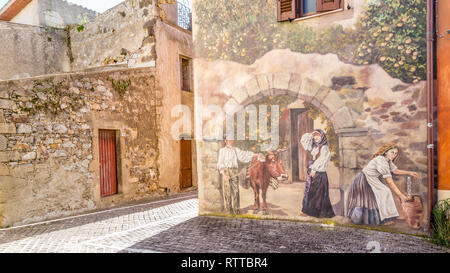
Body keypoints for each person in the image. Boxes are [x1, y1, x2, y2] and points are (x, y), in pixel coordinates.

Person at [346, 143, 419, 226]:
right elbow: (389, 182)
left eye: (396, 153)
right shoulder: (381, 160)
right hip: (364, 179)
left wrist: (409, 172)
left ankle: (383, 218)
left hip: (371, 179)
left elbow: (395, 171)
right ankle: (379, 219)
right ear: (385, 152)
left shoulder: (387, 160)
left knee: (383, 192)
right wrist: (401, 196)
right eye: (392, 152)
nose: (394, 155)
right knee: (384, 191)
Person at [217, 137, 259, 215]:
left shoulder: (235, 150)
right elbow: (220, 163)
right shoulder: (222, 151)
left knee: (236, 191)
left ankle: (236, 210)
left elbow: (244, 155)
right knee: (227, 191)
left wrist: (254, 155)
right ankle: (229, 210)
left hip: (234, 171)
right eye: (228, 140)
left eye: (231, 140)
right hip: (226, 171)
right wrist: (223, 174)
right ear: (225, 141)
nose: (230, 142)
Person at [300, 129, 335, 218]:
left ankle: (317, 213)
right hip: (313, 171)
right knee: (310, 192)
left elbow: (322, 160)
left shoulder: (324, 147)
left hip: (319, 173)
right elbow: (304, 141)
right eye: (314, 135)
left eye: (318, 135)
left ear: (322, 137)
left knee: (318, 193)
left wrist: (314, 169)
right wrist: (310, 135)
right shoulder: (315, 146)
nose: (316, 137)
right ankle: (309, 211)